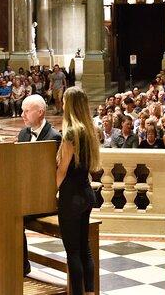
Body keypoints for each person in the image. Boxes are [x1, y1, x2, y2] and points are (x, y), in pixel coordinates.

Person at [56, 87, 99, 295]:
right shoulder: (89, 130)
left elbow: (62, 170)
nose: (62, 105)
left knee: (72, 251)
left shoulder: (71, 132)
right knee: (85, 248)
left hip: (71, 197)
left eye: (64, 101)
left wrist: (52, 190)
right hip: (86, 193)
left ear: (70, 104)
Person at [17, 94, 62, 276]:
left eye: (26, 111)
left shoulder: (54, 137)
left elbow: (54, 176)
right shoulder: (23, 133)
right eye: (22, 111)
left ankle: (22, 266)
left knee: (13, 216)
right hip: (27, 194)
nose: (22, 115)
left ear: (40, 112)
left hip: (45, 198)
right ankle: (18, 263)